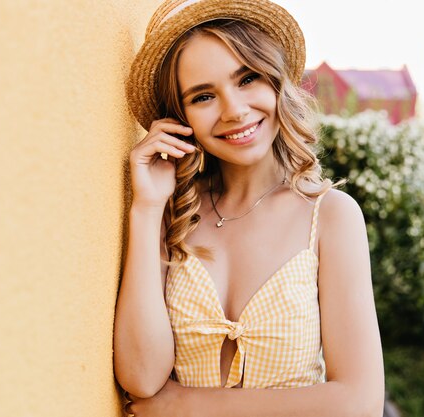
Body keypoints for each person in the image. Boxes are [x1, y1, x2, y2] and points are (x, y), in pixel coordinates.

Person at [113, 0, 384, 416]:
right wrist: (147, 208)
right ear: (179, 117)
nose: (234, 111)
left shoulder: (330, 217)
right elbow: (142, 377)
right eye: (203, 96)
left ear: (275, 81)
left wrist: (186, 405)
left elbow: (357, 402)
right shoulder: (171, 215)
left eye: (247, 79)